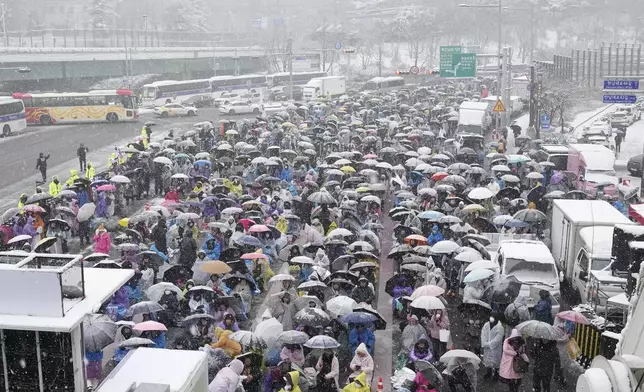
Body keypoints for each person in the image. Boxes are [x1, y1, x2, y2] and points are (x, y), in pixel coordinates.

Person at [480, 312, 504, 380]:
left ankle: (496, 373)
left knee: (496, 361)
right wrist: (484, 342)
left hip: (495, 348)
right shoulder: (486, 325)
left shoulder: (500, 328)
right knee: (487, 361)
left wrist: (488, 344)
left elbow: (497, 339)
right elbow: (483, 334)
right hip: (487, 347)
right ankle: (488, 372)